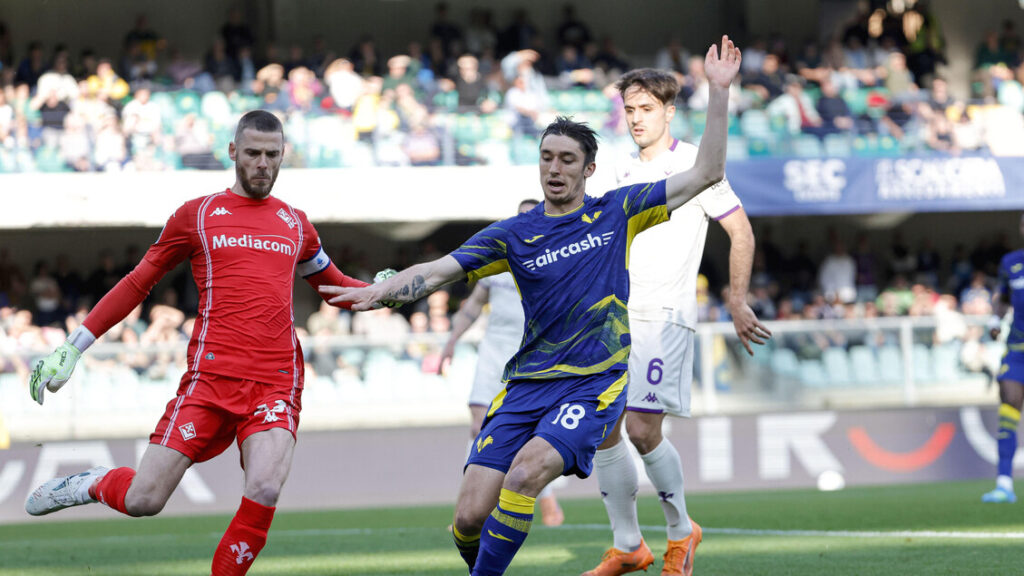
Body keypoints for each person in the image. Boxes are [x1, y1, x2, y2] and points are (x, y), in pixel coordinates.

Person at [321, 35, 743, 576]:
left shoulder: (619, 211)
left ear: (589, 170)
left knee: (525, 475)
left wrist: (719, 92)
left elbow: (706, 171)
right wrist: (380, 290)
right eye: (546, 157)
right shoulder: (512, 234)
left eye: (567, 159)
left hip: (594, 379)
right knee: (470, 516)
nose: (555, 168)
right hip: (526, 384)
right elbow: (438, 270)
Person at [25, 110, 370, 576]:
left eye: (272, 154)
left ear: (283, 155)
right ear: (233, 153)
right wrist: (74, 346)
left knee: (265, 487)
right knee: (144, 499)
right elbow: (136, 282)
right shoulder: (198, 215)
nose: (262, 164)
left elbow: (336, 288)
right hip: (208, 381)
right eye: (252, 153)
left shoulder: (296, 224)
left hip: (275, 382)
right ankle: (92, 484)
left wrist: (383, 291)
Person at [583, 68, 770, 576]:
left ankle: (681, 533)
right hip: (612, 321)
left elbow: (742, 232)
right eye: (630, 110)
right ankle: (627, 545)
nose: (637, 119)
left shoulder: (694, 164)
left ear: (669, 111)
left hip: (664, 316)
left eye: (646, 109)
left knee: (643, 429)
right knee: (604, 430)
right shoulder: (615, 171)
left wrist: (737, 300)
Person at [439, 198, 564, 527]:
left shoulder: (554, 262)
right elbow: (473, 306)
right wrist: (450, 343)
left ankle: (544, 498)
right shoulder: (497, 262)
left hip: (531, 357)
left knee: (529, 435)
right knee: (478, 427)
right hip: (494, 354)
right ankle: (470, 506)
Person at [982, 213, 1024, 504]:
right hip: (1018, 350)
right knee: (1008, 402)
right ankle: (1004, 484)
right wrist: (994, 320)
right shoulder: (1011, 262)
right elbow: (1003, 298)